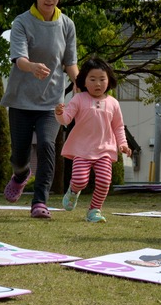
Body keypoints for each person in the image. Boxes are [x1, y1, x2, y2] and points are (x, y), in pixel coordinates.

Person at [0, 0, 79, 219]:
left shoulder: (67, 24)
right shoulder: (22, 21)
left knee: (47, 145)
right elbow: (19, 58)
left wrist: (80, 83)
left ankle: (39, 202)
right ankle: (21, 175)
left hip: (52, 102)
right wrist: (32, 66)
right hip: (21, 100)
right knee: (19, 155)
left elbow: (70, 61)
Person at [55, 56, 131, 223]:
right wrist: (60, 114)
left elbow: (118, 127)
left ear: (109, 80)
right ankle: (73, 191)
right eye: (93, 79)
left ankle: (94, 210)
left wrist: (123, 145)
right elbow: (66, 120)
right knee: (80, 181)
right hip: (82, 150)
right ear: (84, 81)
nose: (98, 83)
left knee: (104, 181)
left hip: (105, 150)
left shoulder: (113, 103)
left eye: (102, 79)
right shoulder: (78, 99)